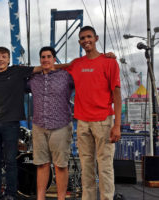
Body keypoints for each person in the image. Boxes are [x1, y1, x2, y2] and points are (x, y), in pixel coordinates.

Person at [0, 47, 69, 200]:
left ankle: (10, 193)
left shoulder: (18, 71)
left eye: (4, 56)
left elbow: (45, 66)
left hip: (12, 123)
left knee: (11, 161)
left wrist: (74, 63)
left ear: (9, 59)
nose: (1, 59)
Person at [65, 26, 122, 200]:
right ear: (79, 42)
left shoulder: (109, 62)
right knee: (86, 167)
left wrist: (117, 125)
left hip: (103, 120)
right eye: (82, 38)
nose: (86, 40)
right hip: (82, 122)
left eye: (89, 37)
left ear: (96, 38)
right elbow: (54, 66)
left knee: (105, 167)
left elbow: (117, 95)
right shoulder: (76, 64)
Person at [28, 46, 74, 200]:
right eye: (43, 57)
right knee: (42, 164)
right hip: (39, 125)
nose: (45, 59)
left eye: (49, 56)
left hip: (61, 125)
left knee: (60, 165)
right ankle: (40, 198)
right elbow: (16, 73)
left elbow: (83, 73)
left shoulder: (66, 76)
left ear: (54, 59)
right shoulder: (33, 78)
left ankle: (61, 198)